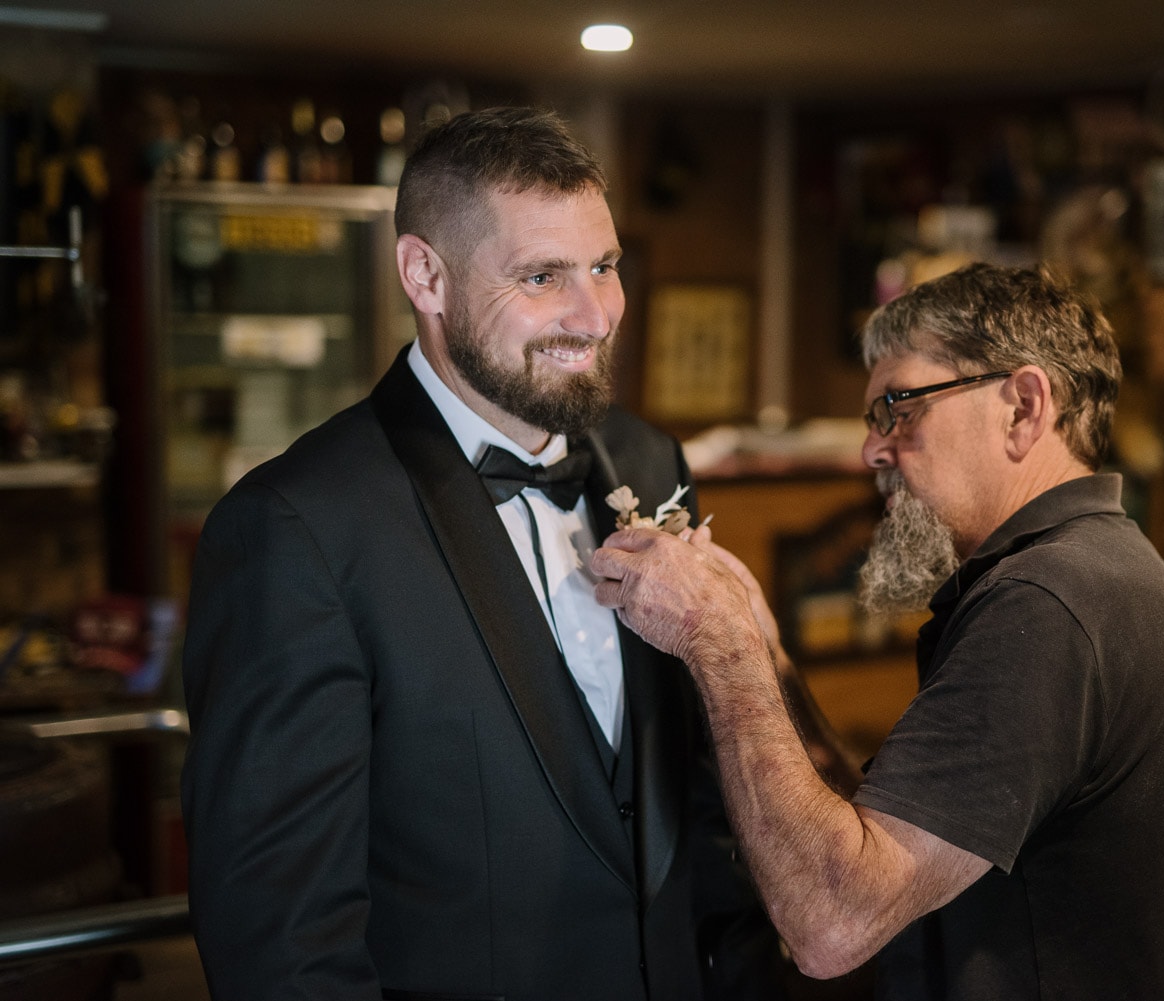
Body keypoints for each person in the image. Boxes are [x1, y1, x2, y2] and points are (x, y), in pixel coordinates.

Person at [180, 106, 785, 1001]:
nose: (597, 314)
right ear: (425, 274)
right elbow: (282, 936)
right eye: (543, 276)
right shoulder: (294, 529)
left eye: (606, 266)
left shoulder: (653, 461)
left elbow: (699, 805)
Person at [593, 264, 1164, 1000]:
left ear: (1022, 406)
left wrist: (718, 642)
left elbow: (833, 921)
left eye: (899, 405)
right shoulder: (1094, 568)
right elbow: (903, 846)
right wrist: (768, 657)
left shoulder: (1047, 603)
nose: (873, 451)